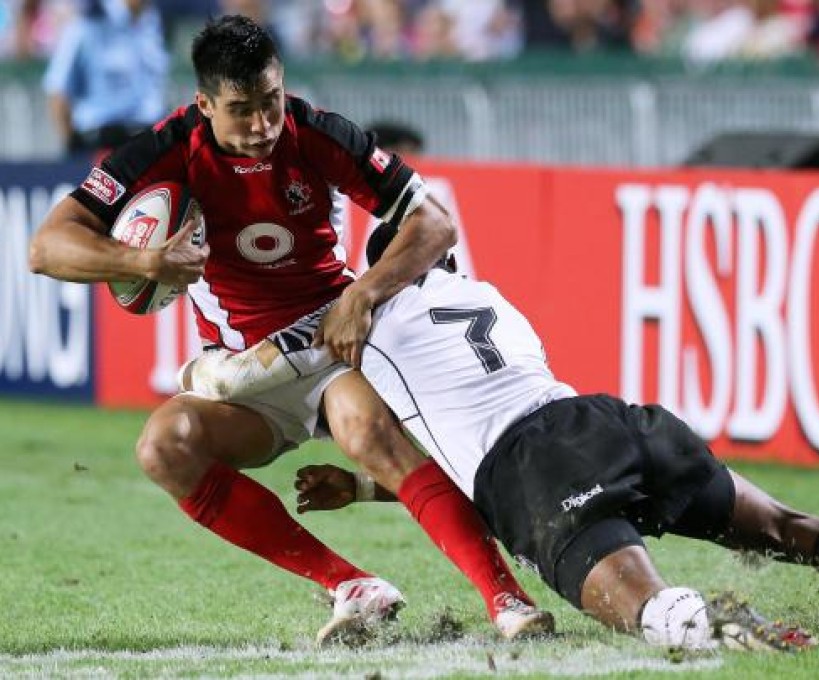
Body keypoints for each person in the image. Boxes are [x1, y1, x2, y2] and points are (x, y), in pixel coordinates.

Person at [181, 222, 819, 653]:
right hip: (609, 421)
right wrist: (367, 488)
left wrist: (202, 369)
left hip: (530, 466)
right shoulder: (485, 293)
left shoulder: (360, 319)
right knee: (788, 527)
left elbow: (234, 377)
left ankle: (725, 628)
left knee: (643, 604)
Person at [28, 15, 552, 646]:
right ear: (203, 105)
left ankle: (507, 600)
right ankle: (352, 585)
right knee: (162, 448)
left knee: (369, 432)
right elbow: (48, 246)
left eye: (271, 101)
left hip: (330, 342)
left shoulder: (319, 132)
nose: (262, 126)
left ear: (283, 85)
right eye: (241, 110)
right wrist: (143, 261)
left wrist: (361, 295)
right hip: (247, 369)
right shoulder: (164, 149)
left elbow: (434, 223)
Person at [43, 0, 170, 157]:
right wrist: (72, 151)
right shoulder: (89, 23)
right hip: (103, 145)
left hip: (151, 142)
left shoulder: (154, 22)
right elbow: (58, 91)